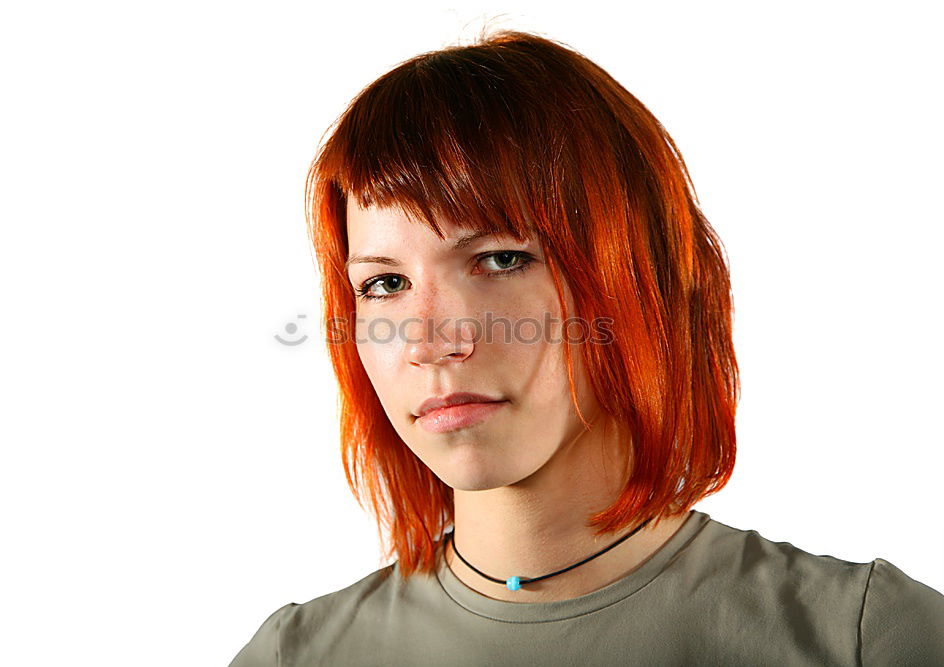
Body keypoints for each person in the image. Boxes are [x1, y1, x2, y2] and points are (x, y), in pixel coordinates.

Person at [230, 29, 944, 666]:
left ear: (639, 277)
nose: (428, 339)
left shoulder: (867, 638)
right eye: (384, 282)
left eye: (502, 259)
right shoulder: (297, 655)